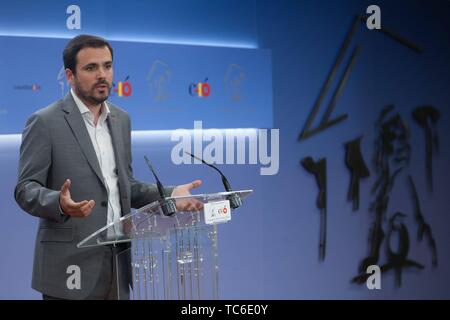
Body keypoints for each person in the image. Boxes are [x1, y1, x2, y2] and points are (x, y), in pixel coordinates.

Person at [14, 34, 203, 300]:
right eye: (91, 68)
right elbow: (25, 189)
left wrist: (170, 195)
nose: (102, 74)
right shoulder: (45, 122)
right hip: (69, 266)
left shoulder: (121, 119)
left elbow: (126, 188)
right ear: (70, 75)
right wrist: (59, 202)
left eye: (107, 65)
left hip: (117, 263)